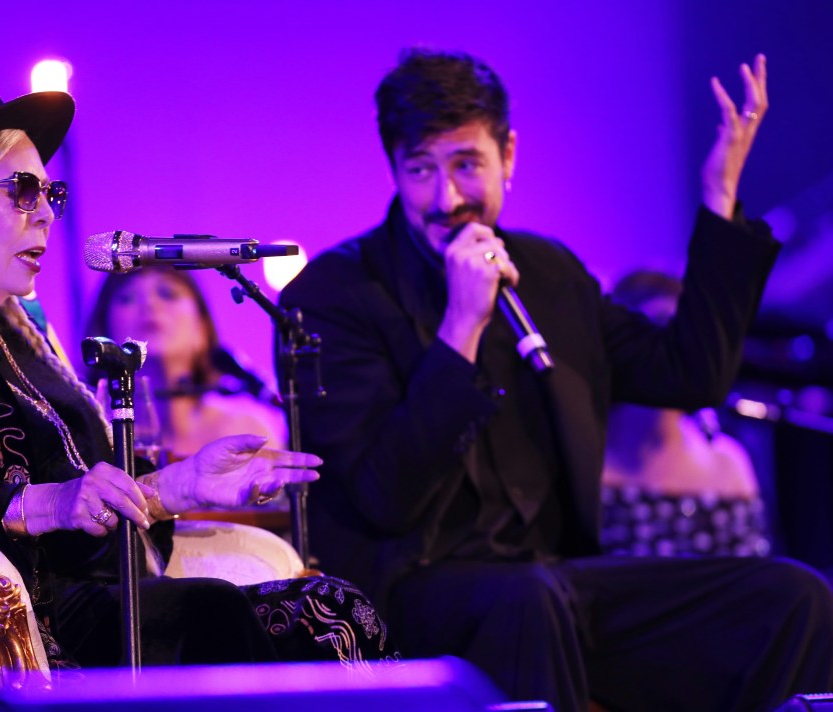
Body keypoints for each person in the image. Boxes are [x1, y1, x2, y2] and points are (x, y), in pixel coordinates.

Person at [279, 49, 833, 711]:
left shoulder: (549, 274)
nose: (446, 198)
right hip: (409, 597)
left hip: (555, 583)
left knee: (792, 599)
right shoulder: (334, 296)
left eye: (465, 165)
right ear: (395, 169)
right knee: (530, 602)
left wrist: (718, 202)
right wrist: (461, 326)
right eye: (420, 170)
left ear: (508, 156)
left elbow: (690, 375)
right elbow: (384, 498)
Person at [0, 76, 394, 671]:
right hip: (23, 615)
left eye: (48, 193)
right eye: (22, 191)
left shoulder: (14, 328)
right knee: (211, 616)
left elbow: (85, 486)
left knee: (335, 613)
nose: (44, 216)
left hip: (89, 597)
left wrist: (178, 488)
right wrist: (45, 505)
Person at [601, 269, 770, 557]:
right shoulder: (581, 462)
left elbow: (752, 586)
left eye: (686, 334)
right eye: (661, 325)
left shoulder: (726, 463)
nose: (676, 348)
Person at [84, 267, 286, 463]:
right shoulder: (91, 436)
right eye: (127, 298)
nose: (150, 304)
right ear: (104, 331)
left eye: (168, 294)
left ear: (202, 328)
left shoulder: (247, 430)